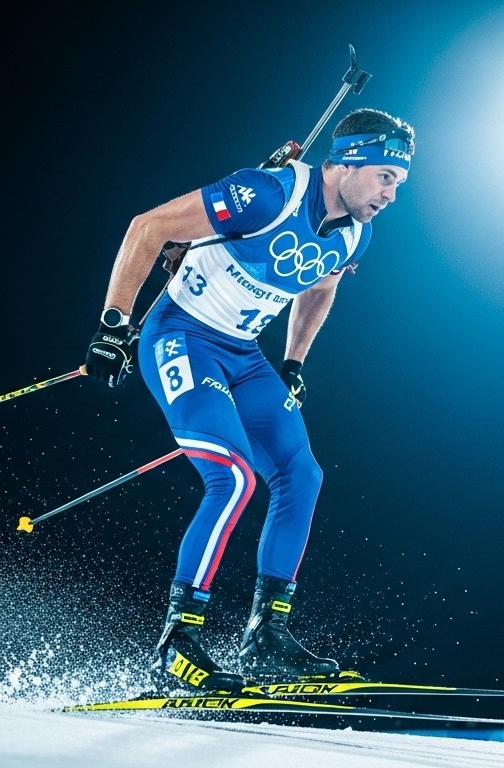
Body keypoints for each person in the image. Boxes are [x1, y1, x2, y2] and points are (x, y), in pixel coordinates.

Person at [82, 107, 414, 689]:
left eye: (399, 183)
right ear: (351, 162)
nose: (391, 194)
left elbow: (322, 283)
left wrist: (292, 363)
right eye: (386, 176)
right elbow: (147, 227)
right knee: (234, 477)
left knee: (300, 475)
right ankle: (177, 644)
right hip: (182, 336)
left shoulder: (358, 231)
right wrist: (113, 325)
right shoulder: (268, 193)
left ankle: (266, 637)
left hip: (242, 353)